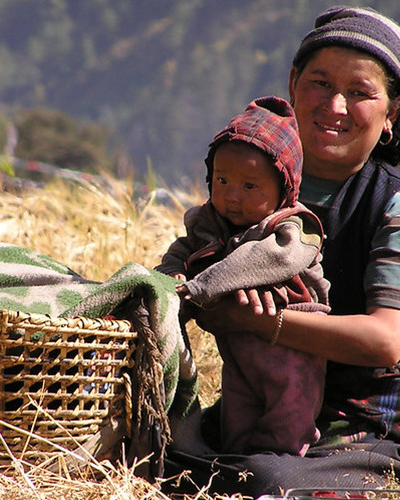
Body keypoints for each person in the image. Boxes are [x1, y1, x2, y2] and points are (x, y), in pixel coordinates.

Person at [163, 6, 400, 497]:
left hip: (360, 437)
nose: (335, 105)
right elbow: (188, 262)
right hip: (257, 416)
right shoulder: (251, 188)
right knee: (151, 454)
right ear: (293, 84)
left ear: (390, 115)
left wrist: (256, 322)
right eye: (320, 83)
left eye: (360, 93)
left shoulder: (399, 208)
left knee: (266, 484)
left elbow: (385, 340)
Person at [156, 95, 331, 457]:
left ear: (284, 190)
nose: (232, 196)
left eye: (250, 187)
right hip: (239, 344)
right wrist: (170, 276)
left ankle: (279, 472)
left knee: (289, 410)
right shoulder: (209, 222)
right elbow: (182, 250)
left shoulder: (291, 227)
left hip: (293, 341)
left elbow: (264, 259)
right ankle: (238, 469)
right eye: (222, 181)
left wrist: (199, 289)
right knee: (237, 409)